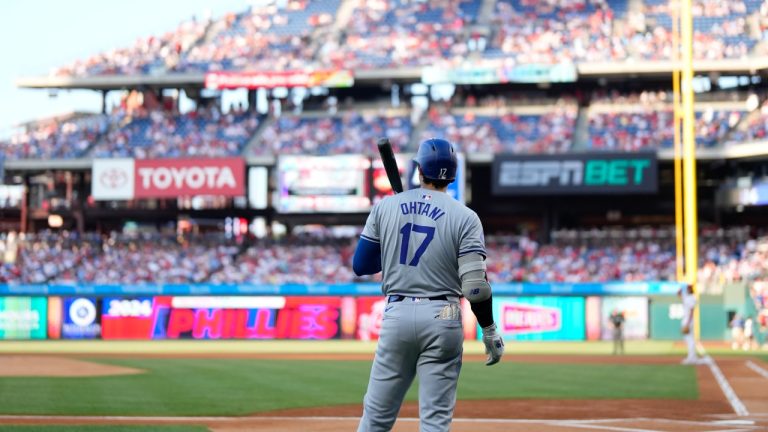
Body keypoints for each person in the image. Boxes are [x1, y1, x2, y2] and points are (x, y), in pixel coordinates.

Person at [352, 138, 504, 432]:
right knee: (435, 422)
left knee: (375, 419)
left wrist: (393, 250)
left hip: (397, 314)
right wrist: (488, 329)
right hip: (443, 315)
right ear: (454, 173)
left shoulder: (387, 207)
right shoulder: (466, 217)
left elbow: (361, 266)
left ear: (419, 170)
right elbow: (475, 287)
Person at [679, 284, 704, 364]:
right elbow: (678, 293)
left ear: (690, 290)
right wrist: (682, 287)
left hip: (688, 320)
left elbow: (692, 311)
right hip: (687, 319)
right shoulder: (687, 297)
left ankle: (692, 358)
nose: (686, 290)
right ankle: (692, 357)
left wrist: (688, 323)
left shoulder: (691, 298)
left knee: (690, 340)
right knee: (688, 339)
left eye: (687, 289)